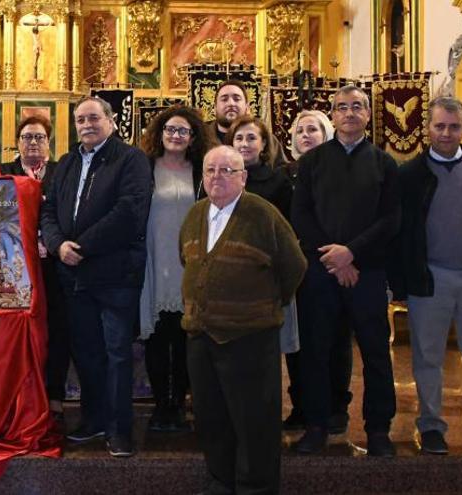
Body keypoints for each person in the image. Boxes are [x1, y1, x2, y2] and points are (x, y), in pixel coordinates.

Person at [180, 145, 306, 495]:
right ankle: (221, 481)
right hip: (202, 337)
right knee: (212, 418)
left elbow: (294, 266)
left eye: (226, 170)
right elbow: (188, 260)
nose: (216, 177)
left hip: (249, 339)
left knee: (254, 422)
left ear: (243, 177)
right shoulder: (195, 214)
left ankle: (256, 488)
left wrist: (262, 306)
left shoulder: (262, 214)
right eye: (210, 170)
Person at [40, 96, 152, 457]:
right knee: (86, 352)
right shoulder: (67, 162)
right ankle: (94, 419)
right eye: (79, 120)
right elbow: (48, 212)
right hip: (73, 275)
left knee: (117, 352)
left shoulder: (131, 159)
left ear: (111, 121)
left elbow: (129, 212)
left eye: (93, 118)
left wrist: (81, 247)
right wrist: (59, 246)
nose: (86, 125)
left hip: (114, 273)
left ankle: (120, 430)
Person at [291, 85, 400, 457]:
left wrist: (352, 253)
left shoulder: (384, 163)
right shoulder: (312, 162)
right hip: (321, 272)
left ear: (368, 114)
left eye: (357, 107)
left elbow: (390, 219)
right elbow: (301, 215)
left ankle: (379, 429)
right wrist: (334, 258)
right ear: (333, 115)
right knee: (316, 352)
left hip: (367, 272)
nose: (350, 113)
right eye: (342, 107)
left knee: (375, 354)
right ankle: (317, 425)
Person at [390, 96, 462, 455]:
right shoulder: (409, 174)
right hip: (430, 277)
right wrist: (401, 282)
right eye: (440, 126)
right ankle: (432, 425)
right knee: (428, 357)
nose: (446, 133)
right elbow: (399, 232)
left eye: (453, 126)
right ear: (427, 128)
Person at [137, 105, 211, 432]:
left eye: (183, 131)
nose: (176, 136)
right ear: (159, 133)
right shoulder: (145, 168)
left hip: (190, 264)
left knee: (184, 340)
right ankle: (160, 405)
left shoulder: (201, 170)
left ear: (193, 136)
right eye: (170, 130)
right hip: (155, 261)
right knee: (156, 339)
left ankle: (178, 404)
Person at [283, 109, 353, 432]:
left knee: (334, 340)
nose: (306, 135)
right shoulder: (284, 174)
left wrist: (334, 257)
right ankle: (302, 406)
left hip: (330, 264)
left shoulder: (338, 169)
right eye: (300, 131)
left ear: (326, 134)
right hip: (293, 270)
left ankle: (337, 406)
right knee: (298, 342)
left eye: (313, 129)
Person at [0, 115, 70, 424]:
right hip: (15, 266)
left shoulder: (61, 173)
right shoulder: (4, 173)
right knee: (18, 328)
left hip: (52, 263)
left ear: (49, 143)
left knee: (57, 326)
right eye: (27, 137)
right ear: (17, 142)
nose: (33, 143)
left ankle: (53, 393)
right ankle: (17, 393)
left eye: (39, 137)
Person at [206, 79, 285, 167]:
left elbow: (282, 171)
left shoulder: (265, 137)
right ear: (214, 108)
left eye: (236, 99)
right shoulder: (202, 138)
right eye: (224, 99)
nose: (231, 103)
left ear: (247, 107)